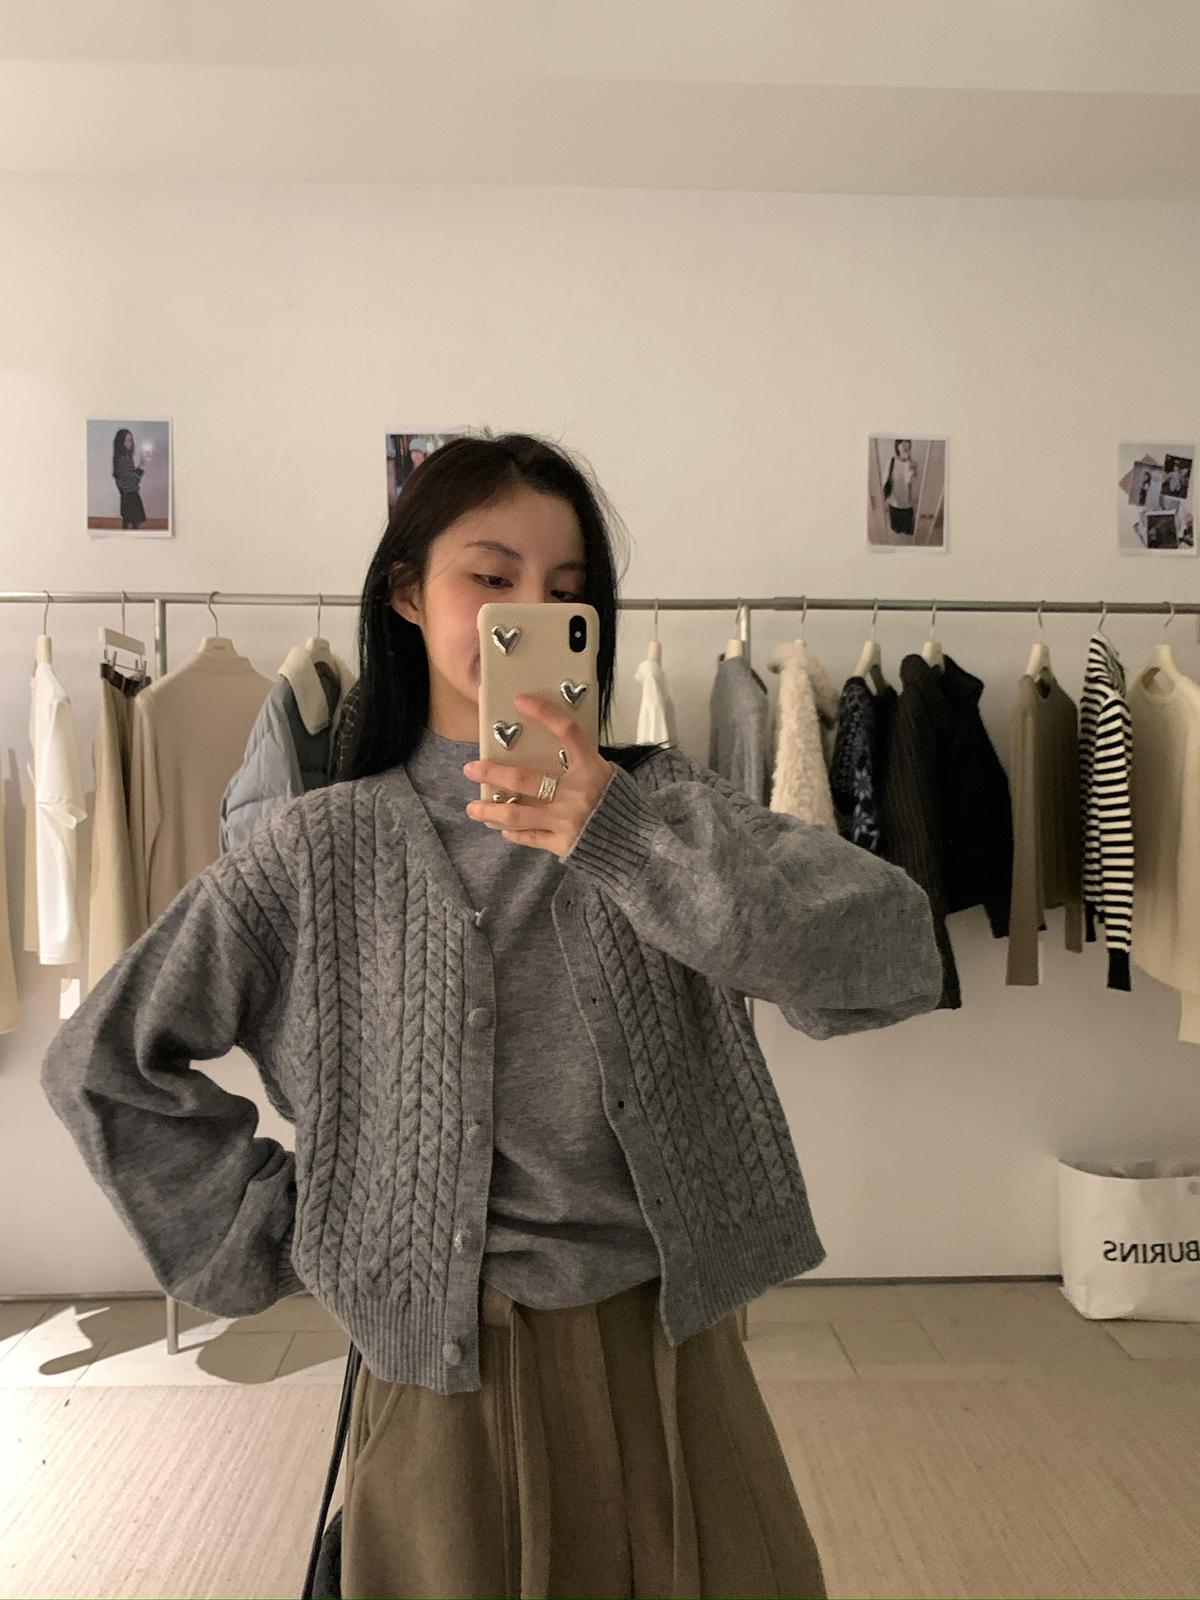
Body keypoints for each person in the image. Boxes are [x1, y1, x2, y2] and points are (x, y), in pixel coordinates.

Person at [43, 431, 944, 1599]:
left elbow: (894, 949)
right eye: (491, 576)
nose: (533, 611)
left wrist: (622, 839)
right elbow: (103, 1061)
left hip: (674, 1354)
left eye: (566, 590)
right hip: (442, 1385)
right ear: (407, 594)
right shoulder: (319, 849)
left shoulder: (664, 805)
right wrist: (288, 1227)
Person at [111, 428, 147, 529]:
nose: (130, 443)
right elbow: (132, 481)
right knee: (132, 524)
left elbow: (131, 479)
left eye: (131, 440)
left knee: (129, 522)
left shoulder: (124, 457)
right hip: (130, 497)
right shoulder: (123, 459)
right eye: (127, 440)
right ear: (120, 442)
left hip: (128, 496)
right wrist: (141, 465)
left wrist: (139, 468)